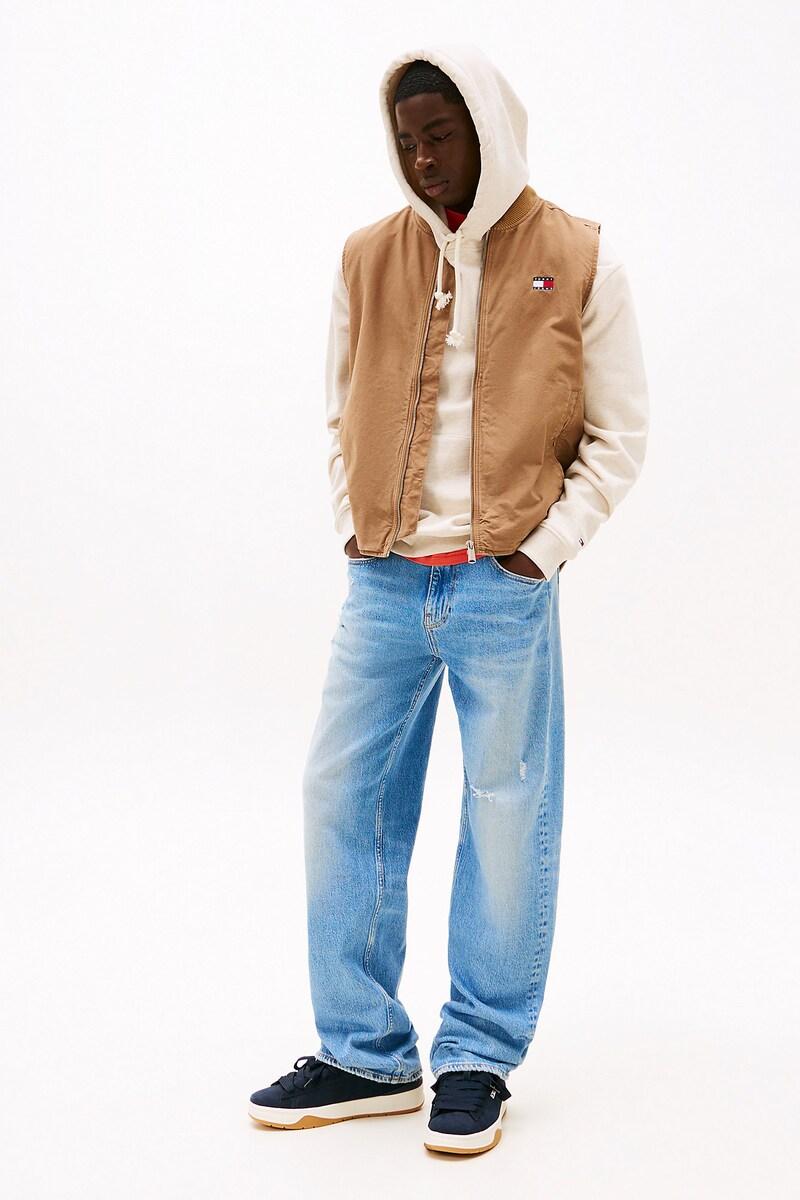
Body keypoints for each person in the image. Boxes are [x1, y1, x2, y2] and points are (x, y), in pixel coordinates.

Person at [248, 41, 650, 1156]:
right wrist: (353, 520)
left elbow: (621, 434)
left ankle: (477, 1055)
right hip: (384, 580)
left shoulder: (578, 255)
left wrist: (540, 553)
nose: (425, 158)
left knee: (507, 813)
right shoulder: (366, 256)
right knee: (342, 796)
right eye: (408, 140)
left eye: (443, 134)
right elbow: (339, 407)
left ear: (490, 129)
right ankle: (364, 1052)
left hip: (501, 584)